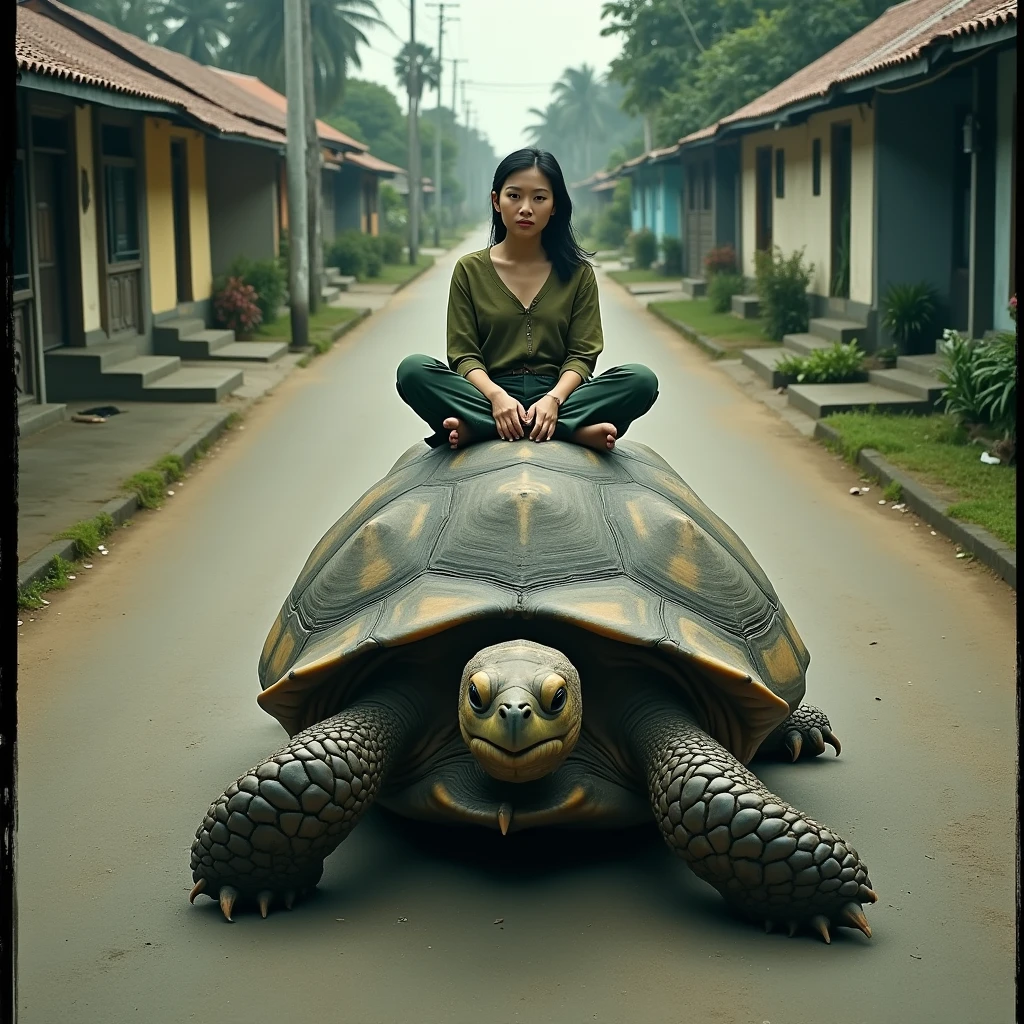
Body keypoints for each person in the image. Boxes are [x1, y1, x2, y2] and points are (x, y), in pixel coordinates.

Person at [396, 148, 658, 452]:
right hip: (487, 395)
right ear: (497, 201)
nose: (525, 208)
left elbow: (582, 355)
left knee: (641, 380)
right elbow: (463, 355)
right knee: (412, 371)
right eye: (514, 196)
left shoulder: (578, 274)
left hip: (562, 395)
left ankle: (483, 429)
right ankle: (570, 431)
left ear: (555, 206)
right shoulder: (469, 269)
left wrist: (553, 400)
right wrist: (496, 398)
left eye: (539, 198)